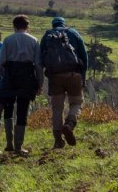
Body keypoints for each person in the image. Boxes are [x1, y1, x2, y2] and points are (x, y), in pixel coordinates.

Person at [0, 15, 43, 156]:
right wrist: (39, 83)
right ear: (27, 26)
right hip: (27, 76)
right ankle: (18, 146)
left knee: (8, 108)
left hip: (10, 75)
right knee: (22, 110)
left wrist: (5, 76)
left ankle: (9, 142)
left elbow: (1, 62)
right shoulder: (34, 41)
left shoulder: (7, 40)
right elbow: (38, 65)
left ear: (14, 26)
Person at [40, 17, 88, 149]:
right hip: (74, 74)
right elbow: (84, 55)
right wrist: (83, 75)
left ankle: (58, 140)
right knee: (76, 102)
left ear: (53, 25)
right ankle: (69, 124)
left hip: (54, 76)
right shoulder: (73, 33)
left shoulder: (47, 36)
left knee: (57, 108)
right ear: (64, 24)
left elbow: (41, 58)